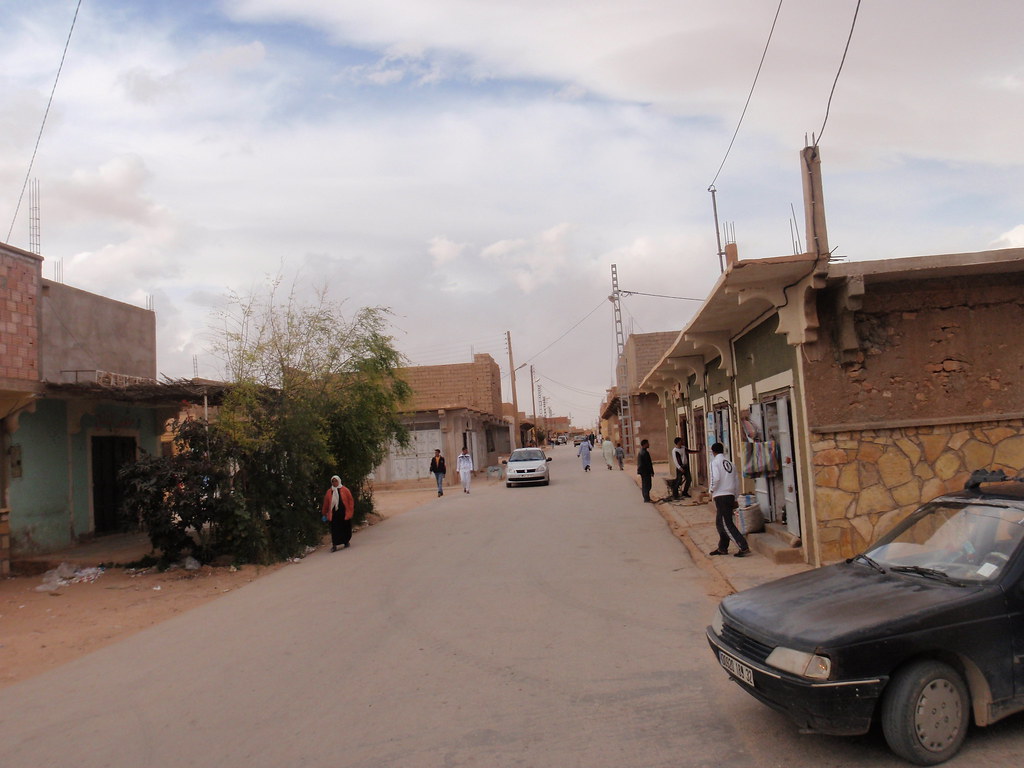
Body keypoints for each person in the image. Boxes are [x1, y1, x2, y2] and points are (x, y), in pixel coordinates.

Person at [708, 442, 750, 557]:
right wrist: (735, 496)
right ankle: (722, 547)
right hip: (730, 494)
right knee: (720, 522)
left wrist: (711, 490)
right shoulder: (730, 463)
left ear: (713, 452)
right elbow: (736, 481)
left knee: (726, 523)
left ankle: (743, 546)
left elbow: (715, 478)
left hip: (721, 495)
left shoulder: (714, 463)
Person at [321, 474, 355, 552]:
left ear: (339, 481)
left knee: (345, 527)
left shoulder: (345, 490)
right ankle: (334, 544)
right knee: (335, 529)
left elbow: (350, 501)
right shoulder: (329, 492)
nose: (334, 483)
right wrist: (324, 512)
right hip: (334, 514)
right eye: (333, 481)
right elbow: (326, 503)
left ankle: (346, 541)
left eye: (336, 481)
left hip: (344, 513)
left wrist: (350, 512)